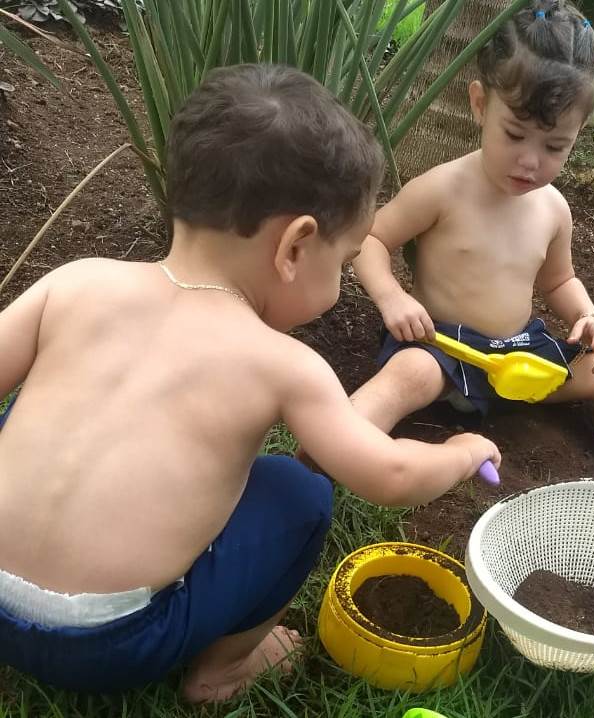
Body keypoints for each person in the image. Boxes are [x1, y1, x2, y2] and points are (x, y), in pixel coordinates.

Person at [0, 64, 499, 703]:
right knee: (297, 493)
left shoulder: (74, 282)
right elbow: (389, 476)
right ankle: (223, 671)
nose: (344, 280)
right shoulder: (281, 363)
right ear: (295, 246)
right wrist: (464, 453)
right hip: (107, 645)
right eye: (344, 262)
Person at [347, 0, 594, 508]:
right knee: (408, 375)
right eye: (514, 135)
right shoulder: (442, 190)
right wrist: (391, 299)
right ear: (478, 104)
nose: (530, 161)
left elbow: (559, 282)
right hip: (446, 350)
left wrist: (587, 317)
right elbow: (371, 240)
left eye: (555, 146)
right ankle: (339, 444)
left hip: (520, 357)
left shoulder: (553, 210)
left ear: (577, 136)